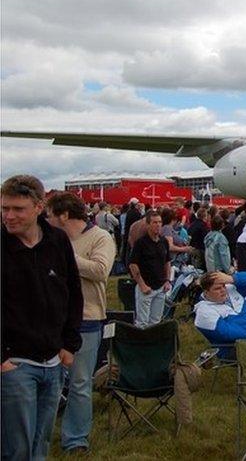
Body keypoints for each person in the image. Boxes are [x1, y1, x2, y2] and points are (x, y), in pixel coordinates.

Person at [1, 176, 83, 460]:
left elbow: (73, 292)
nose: (9, 216)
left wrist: (69, 345)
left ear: (38, 207)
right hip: (15, 363)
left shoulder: (57, 241)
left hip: (54, 360)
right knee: (16, 449)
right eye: (4, 208)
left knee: (42, 443)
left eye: (17, 209)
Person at [45, 192, 116, 454]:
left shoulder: (100, 237)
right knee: (48, 380)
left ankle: (75, 439)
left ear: (63, 215)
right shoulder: (50, 238)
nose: (47, 220)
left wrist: (64, 257)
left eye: (50, 215)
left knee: (79, 382)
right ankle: (40, 434)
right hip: (51, 319)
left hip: (87, 318)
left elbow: (100, 270)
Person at [129, 210, 171, 328]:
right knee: (142, 322)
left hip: (160, 287)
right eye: (154, 222)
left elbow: (167, 262)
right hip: (146, 287)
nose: (158, 225)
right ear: (148, 225)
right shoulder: (140, 243)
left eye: (159, 222)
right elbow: (133, 264)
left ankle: (153, 344)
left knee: (156, 321)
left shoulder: (164, 242)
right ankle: (141, 344)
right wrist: (142, 284)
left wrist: (167, 280)